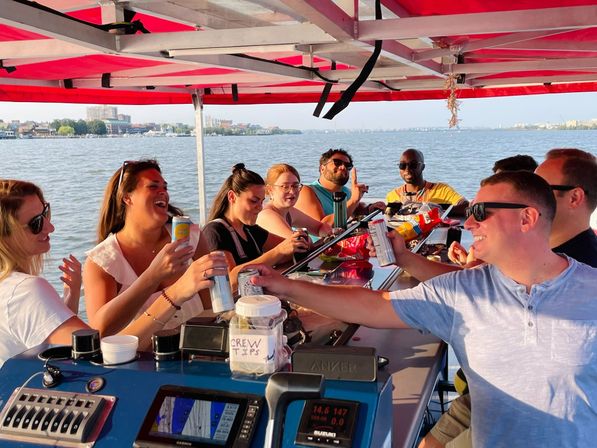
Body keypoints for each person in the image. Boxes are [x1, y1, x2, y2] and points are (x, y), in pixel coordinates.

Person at [250, 171, 597, 447]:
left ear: (527, 218)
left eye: (480, 213)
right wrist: (286, 285)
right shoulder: (465, 291)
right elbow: (373, 306)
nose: (469, 224)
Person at [0, 179, 227, 366]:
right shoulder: (27, 290)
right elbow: (99, 357)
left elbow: (57, 347)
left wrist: (68, 302)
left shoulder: (11, 286)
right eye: (36, 223)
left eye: (46, 213)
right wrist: (176, 293)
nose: (50, 227)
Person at [83, 159, 220, 337]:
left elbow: (211, 307)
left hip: (195, 350)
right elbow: (100, 331)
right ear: (127, 197)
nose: (163, 192)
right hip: (137, 361)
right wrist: (153, 276)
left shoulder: (192, 237)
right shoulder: (103, 262)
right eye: (153, 187)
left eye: (165, 187)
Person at [202, 164, 309, 284]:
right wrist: (279, 251)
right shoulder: (215, 231)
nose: (259, 208)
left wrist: (299, 243)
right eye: (253, 201)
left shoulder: (251, 229)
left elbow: (289, 251)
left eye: (262, 201)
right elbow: (229, 280)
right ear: (232, 197)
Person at [295, 148, 383, 226]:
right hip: (320, 244)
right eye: (337, 162)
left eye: (347, 166)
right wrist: (353, 200)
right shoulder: (306, 191)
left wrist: (369, 208)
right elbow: (322, 227)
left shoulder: (345, 191)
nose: (343, 167)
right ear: (322, 168)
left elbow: (354, 211)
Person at [256, 163, 333, 239]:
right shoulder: (266, 215)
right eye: (285, 187)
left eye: (295, 186)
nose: (292, 191)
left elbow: (319, 228)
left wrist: (331, 232)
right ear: (270, 190)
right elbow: (298, 244)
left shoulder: (289, 211)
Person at [386, 149, 469, 215]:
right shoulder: (393, 196)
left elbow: (465, 206)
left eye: (413, 165)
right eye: (402, 165)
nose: (407, 170)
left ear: (422, 167)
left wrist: (436, 211)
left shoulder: (441, 190)